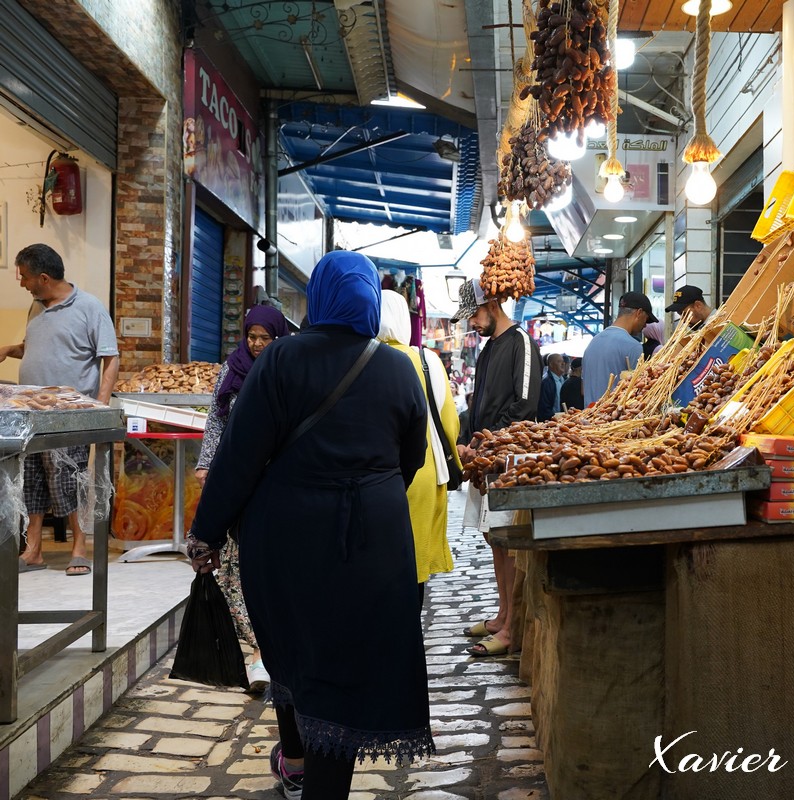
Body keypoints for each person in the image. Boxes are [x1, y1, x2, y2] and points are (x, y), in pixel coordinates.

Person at [187, 250, 432, 800]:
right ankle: (322, 782)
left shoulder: (281, 361)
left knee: (296, 651)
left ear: (319, 296)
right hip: (373, 544)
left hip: (289, 540)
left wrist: (206, 531)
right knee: (346, 659)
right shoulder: (398, 368)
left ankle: (302, 768)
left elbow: (239, 458)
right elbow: (410, 458)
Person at [1, 244, 119, 576]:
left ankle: (79, 547)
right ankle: (34, 550)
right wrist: (10, 349)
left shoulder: (89, 307)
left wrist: (99, 406)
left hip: (69, 412)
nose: (21, 283)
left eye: (24, 277)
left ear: (43, 277)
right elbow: (37, 347)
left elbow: (110, 357)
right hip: (31, 412)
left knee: (67, 478)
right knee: (33, 480)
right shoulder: (36, 307)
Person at [195, 304, 289, 693]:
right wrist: (206, 465)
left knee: (268, 566)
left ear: (277, 338)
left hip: (271, 483)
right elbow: (216, 420)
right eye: (251, 336)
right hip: (233, 479)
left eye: (263, 338)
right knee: (233, 567)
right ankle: (255, 654)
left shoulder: (285, 370)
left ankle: (271, 650)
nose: (255, 344)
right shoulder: (230, 370)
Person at [452, 279, 540, 657]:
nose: (472, 322)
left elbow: (523, 404)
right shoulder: (488, 348)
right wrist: (472, 441)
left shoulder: (521, 341)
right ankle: (503, 614)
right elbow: (479, 402)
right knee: (493, 539)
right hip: (484, 460)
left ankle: (510, 626)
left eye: (473, 314)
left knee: (506, 541)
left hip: (507, 459)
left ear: (491, 303)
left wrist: (490, 443)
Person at [378, 290, 459, 608]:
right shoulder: (427, 360)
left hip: (378, 474)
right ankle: (409, 633)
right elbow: (448, 421)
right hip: (424, 472)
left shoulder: (362, 357)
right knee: (415, 562)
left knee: (381, 559)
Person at [582, 291, 656, 406]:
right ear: (639, 313)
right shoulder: (633, 346)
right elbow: (638, 392)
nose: (645, 325)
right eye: (646, 319)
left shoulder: (593, 342)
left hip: (588, 419)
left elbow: (583, 389)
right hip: (615, 421)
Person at [537, 353, 569, 421]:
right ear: (551, 364)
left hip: (564, 420)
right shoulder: (545, 382)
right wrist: (555, 418)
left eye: (563, 361)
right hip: (551, 422)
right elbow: (543, 408)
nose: (563, 363)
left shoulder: (565, 380)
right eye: (559, 361)